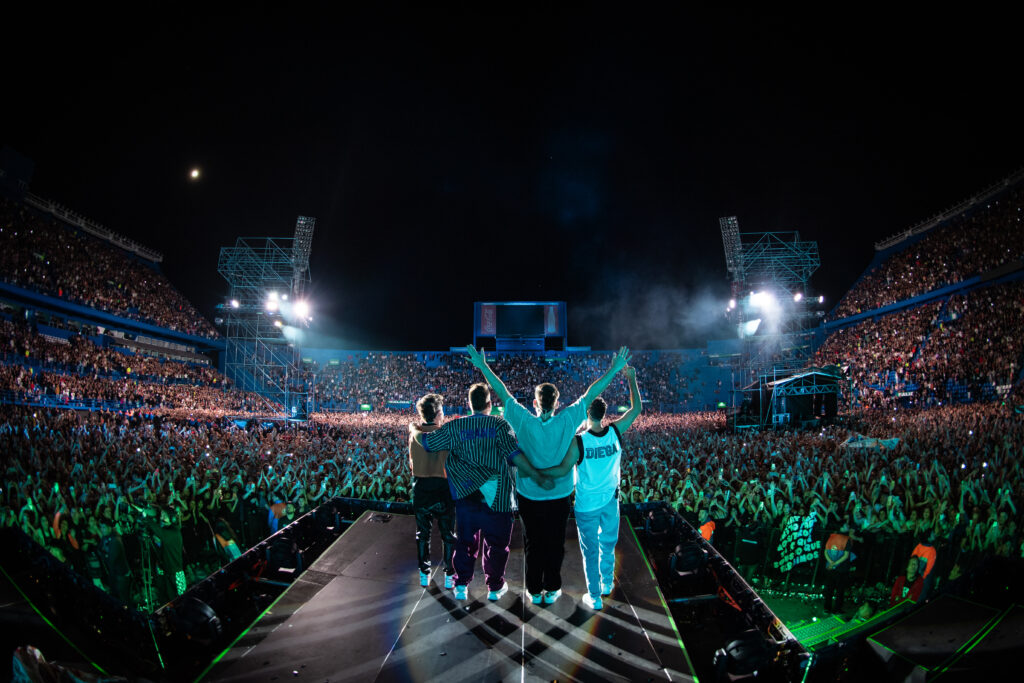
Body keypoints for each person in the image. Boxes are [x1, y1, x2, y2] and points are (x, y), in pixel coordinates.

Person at [465, 345, 630, 605]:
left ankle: (533, 590)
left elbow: (502, 392)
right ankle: (552, 589)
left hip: (529, 495)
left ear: (534, 403)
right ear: (557, 403)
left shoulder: (523, 420)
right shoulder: (568, 419)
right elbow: (592, 393)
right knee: (555, 543)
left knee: (533, 543)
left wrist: (483, 365)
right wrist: (614, 369)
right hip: (560, 495)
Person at [412, 383, 553, 601]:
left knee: (465, 542)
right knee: (497, 545)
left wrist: (414, 431)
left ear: (470, 404)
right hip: (497, 498)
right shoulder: (500, 425)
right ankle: (494, 588)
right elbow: (514, 455)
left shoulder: (456, 426)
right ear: (489, 404)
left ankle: (461, 585)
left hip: (467, 496)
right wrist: (537, 476)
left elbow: (427, 443)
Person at [543, 364, 642, 610]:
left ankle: (595, 596)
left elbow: (563, 469)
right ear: (604, 414)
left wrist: (539, 473)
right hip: (610, 500)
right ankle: (607, 584)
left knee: (590, 551)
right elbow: (636, 409)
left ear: (587, 413)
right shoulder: (615, 432)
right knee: (607, 545)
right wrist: (631, 378)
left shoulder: (580, 441)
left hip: (587, 504)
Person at [408, 393, 456, 589]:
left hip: (421, 487)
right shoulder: (445, 434)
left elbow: (411, 464)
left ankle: (424, 574)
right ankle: (449, 575)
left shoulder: (415, 435)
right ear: (438, 413)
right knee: (448, 535)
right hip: (443, 488)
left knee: (423, 534)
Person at [822, 522, 853, 614]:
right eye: (846, 525)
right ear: (841, 528)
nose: (848, 526)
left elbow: (825, 552)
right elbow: (846, 555)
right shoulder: (847, 539)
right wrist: (836, 563)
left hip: (830, 567)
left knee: (829, 589)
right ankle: (837, 609)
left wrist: (831, 563)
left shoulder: (831, 537)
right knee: (840, 590)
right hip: (841, 569)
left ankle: (827, 608)